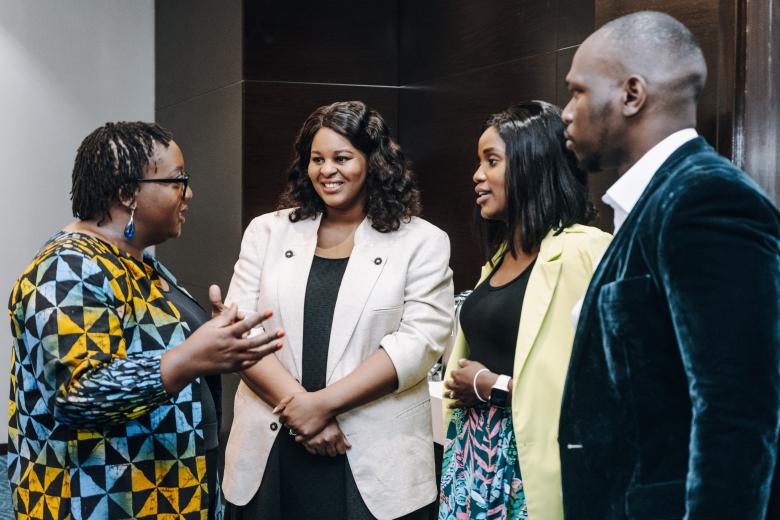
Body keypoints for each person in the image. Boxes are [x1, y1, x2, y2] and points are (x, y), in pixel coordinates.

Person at [558, 11, 780, 519]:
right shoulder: (649, 204)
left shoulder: (705, 198)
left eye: (577, 92)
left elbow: (737, 413)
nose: (566, 112)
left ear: (632, 95)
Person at [7, 122, 282, 520]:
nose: (189, 193)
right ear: (126, 193)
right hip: (98, 500)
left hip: (167, 491)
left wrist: (219, 340)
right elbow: (76, 393)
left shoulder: (141, 262)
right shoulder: (67, 268)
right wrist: (189, 358)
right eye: (177, 181)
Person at [221, 101, 454, 520]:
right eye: (317, 159)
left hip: (373, 457)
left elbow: (418, 345)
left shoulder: (422, 241)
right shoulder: (266, 231)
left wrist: (322, 404)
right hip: (274, 450)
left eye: (342, 158)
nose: (327, 170)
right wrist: (302, 411)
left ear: (373, 162)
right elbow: (241, 334)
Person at [438, 101, 612, 520]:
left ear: (534, 164)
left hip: (529, 468)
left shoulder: (582, 250)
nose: (477, 176)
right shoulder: (498, 258)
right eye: (478, 162)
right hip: (472, 460)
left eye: (492, 161)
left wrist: (492, 385)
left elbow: (605, 386)